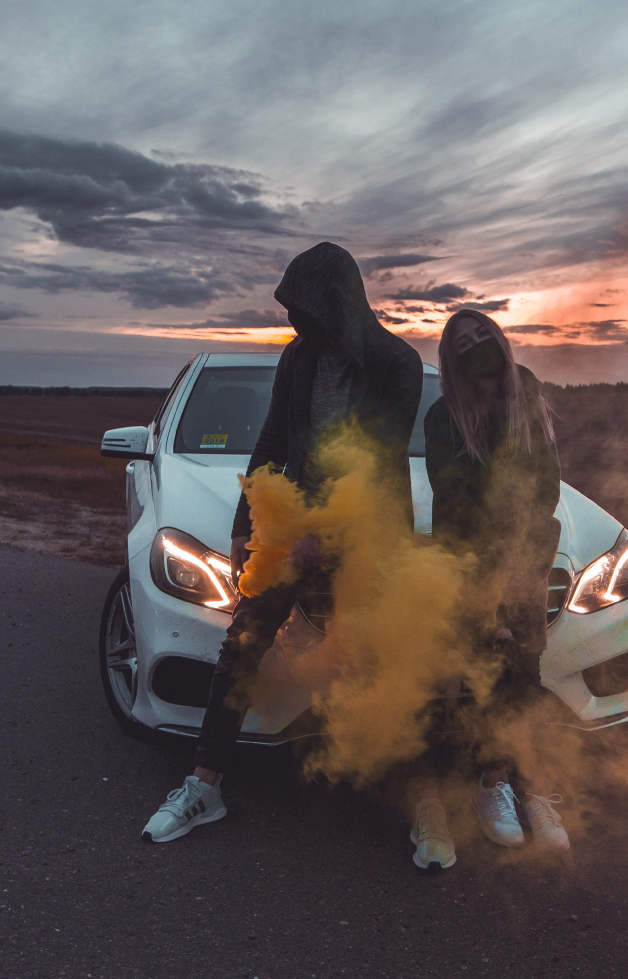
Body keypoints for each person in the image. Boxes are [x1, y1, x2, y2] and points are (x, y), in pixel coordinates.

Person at [142, 242, 423, 843]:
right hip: (293, 526)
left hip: (370, 527)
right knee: (242, 639)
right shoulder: (298, 359)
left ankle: (424, 798)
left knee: (387, 656)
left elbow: (379, 457)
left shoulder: (396, 362)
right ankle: (204, 787)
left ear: (336, 301)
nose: (297, 320)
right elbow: (271, 441)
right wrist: (246, 524)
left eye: (306, 306)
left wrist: (327, 538)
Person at [406, 308, 570, 869]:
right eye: (465, 343)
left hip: (528, 558)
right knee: (484, 674)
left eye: (485, 335)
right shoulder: (442, 418)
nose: (480, 346)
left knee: (526, 679)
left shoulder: (525, 395)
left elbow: (544, 490)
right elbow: (458, 513)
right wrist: (492, 597)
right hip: (472, 564)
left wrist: (521, 575)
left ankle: (533, 792)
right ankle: (490, 782)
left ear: (502, 339)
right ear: (451, 362)